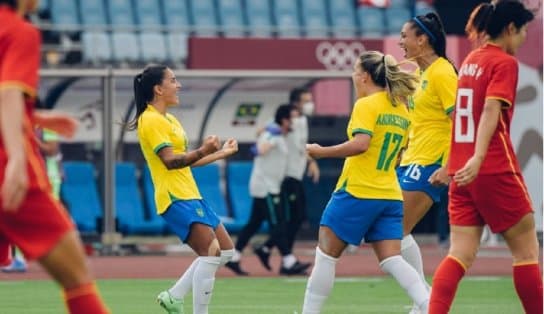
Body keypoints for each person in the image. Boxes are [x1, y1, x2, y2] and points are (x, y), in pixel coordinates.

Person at [429, 1, 542, 313]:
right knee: (527, 252)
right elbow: (491, 108)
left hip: (461, 174)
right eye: (522, 32)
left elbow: (460, 117)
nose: (522, 39)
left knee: (459, 254)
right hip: (491, 167)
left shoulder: (470, 60)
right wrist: (478, 159)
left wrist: (452, 163)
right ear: (509, 29)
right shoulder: (504, 62)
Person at [0, 1, 110, 313]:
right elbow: (6, 95)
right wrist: (18, 160)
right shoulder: (19, 31)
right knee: (77, 278)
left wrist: (38, 117)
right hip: (8, 173)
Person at [301, 51, 429, 313]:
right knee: (393, 259)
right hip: (390, 195)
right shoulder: (401, 109)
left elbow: (361, 144)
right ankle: (430, 305)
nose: (352, 76)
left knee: (325, 256)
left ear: (365, 76)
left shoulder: (366, 105)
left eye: (355, 71)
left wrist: (320, 151)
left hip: (357, 191)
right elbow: (397, 157)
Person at [130, 65, 238, 314]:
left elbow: (191, 160)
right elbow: (169, 161)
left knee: (226, 252)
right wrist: (203, 150)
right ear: (158, 89)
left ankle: (174, 296)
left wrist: (221, 153)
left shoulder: (170, 119)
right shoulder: (150, 120)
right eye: (173, 81)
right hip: (174, 196)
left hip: (191, 193)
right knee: (211, 254)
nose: (178, 86)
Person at [396, 12, 458, 312]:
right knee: (393, 232)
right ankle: (423, 300)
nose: (400, 42)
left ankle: (424, 301)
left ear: (423, 39)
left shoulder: (443, 72)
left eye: (405, 36)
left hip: (431, 164)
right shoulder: (420, 74)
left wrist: (449, 166)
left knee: (393, 231)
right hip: (410, 161)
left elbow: (460, 122)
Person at [225, 104, 310, 276]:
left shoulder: (280, 134)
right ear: (285, 120)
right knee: (277, 223)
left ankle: (234, 258)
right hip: (266, 188)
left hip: (269, 186)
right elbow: (259, 149)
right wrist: (263, 145)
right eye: (293, 118)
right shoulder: (273, 134)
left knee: (254, 223)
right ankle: (288, 260)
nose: (296, 122)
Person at [253, 87, 320, 272]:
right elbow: (262, 132)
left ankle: (269, 249)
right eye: (306, 101)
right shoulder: (285, 121)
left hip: (297, 174)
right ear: (296, 103)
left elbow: (302, 146)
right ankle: (285, 259)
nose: (309, 104)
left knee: (296, 218)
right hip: (286, 176)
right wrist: (264, 142)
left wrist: (311, 162)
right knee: (289, 218)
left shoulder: (303, 121)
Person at [1, 127, 63, 273]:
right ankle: (16, 258)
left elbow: (51, 149)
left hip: (48, 178)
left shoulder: (47, 125)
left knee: (50, 220)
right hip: (26, 176)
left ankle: (63, 258)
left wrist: (30, 141)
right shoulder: (19, 122)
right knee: (15, 213)